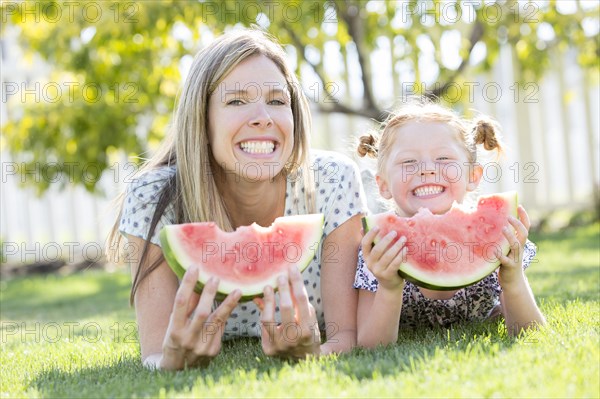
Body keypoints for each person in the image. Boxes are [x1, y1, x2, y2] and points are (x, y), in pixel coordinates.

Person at [107, 29, 368, 369]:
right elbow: (154, 354)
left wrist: (312, 356)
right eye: (236, 101)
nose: (263, 116)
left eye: (277, 101)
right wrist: (172, 361)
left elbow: (345, 337)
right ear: (202, 121)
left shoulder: (333, 180)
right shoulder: (153, 197)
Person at [354, 99, 546, 348]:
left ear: (472, 176)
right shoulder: (378, 252)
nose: (426, 170)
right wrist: (389, 287)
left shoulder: (495, 241)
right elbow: (370, 346)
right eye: (408, 162)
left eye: (443, 158)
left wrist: (512, 278)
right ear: (382, 185)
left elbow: (530, 333)